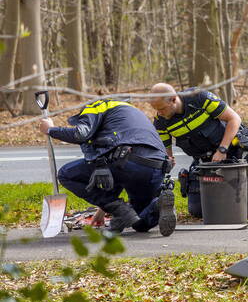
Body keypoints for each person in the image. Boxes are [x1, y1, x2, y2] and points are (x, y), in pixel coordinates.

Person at [39, 98, 176, 236]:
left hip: (126, 160)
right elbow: (116, 180)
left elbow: (81, 133)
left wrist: (50, 129)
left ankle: (121, 210)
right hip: (156, 168)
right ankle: (158, 204)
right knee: (139, 221)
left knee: (66, 174)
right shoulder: (130, 112)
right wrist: (102, 210)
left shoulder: (95, 106)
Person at [148, 83, 248, 218]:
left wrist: (222, 149)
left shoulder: (198, 97)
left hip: (233, 148)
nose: (159, 113)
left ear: (173, 99)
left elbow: (234, 118)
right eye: (156, 109)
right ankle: (226, 201)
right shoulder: (161, 122)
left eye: (161, 109)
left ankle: (242, 201)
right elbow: (167, 154)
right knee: (198, 211)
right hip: (206, 163)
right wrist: (168, 162)